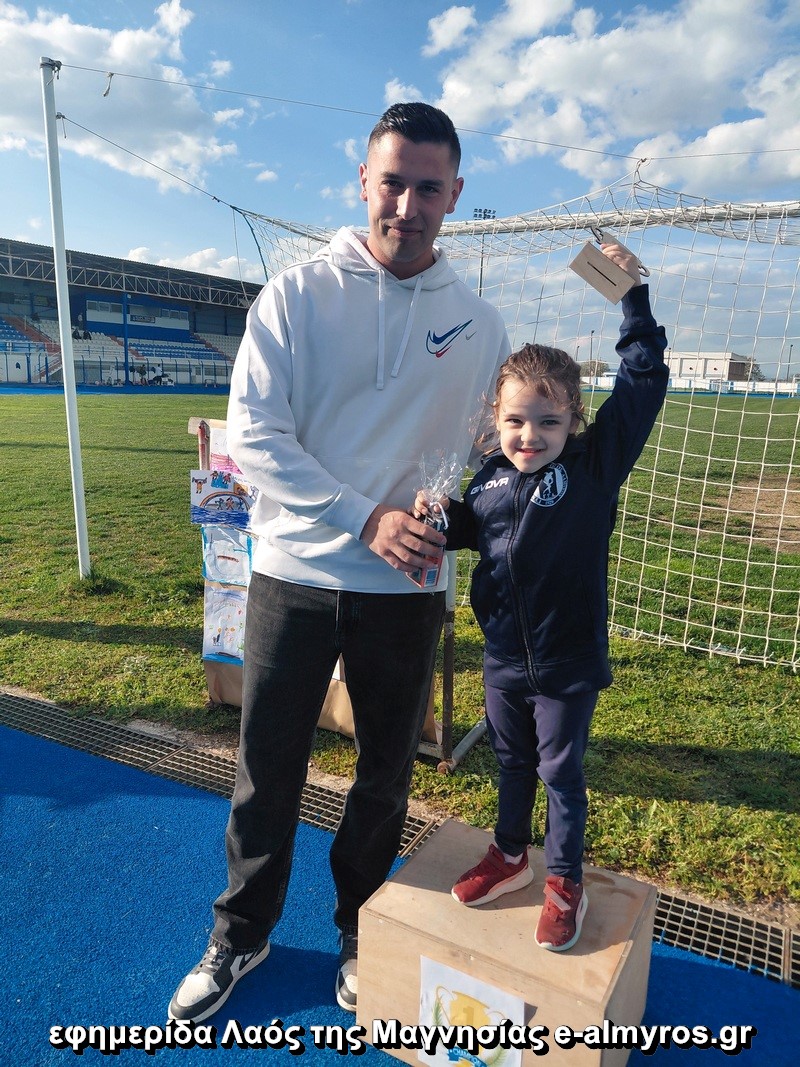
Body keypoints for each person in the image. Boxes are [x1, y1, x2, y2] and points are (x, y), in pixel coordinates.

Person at [168, 102, 510, 1023]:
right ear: (364, 181)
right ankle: (242, 932)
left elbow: (491, 453)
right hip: (294, 572)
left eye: (428, 188)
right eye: (392, 182)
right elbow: (256, 437)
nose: (407, 205)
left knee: (385, 773)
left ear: (455, 194)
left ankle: (361, 930)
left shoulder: (480, 324)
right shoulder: (296, 295)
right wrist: (365, 519)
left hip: (405, 589)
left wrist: (462, 512)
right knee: (266, 765)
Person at [414, 241, 668, 951]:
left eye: (550, 422)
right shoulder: (489, 476)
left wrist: (632, 297)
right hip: (502, 658)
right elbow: (476, 530)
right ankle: (509, 855)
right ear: (495, 418)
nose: (531, 436)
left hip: (566, 660)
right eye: (517, 421)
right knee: (512, 761)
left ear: (575, 423)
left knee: (561, 772)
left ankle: (563, 881)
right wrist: (442, 518)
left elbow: (643, 381)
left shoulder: (595, 466)